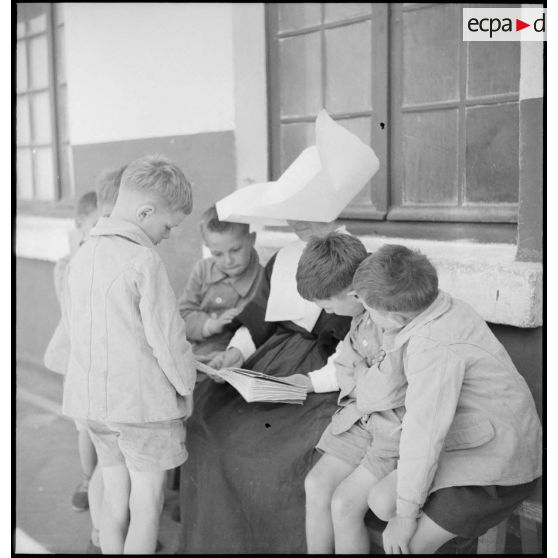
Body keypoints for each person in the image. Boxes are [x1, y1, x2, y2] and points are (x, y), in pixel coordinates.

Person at [178, 110, 380, 554]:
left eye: (307, 218)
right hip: (272, 359)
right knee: (208, 424)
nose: (298, 227)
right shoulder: (283, 258)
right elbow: (257, 318)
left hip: (326, 374)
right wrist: (234, 354)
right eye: (294, 219)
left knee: (270, 453)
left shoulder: (353, 255)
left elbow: (356, 342)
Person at [347, 245, 542, 554]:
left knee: (407, 544)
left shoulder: (431, 346)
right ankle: (451, 534)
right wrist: (390, 334)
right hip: (476, 440)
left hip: (500, 462)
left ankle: (444, 535)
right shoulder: (437, 306)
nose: (367, 315)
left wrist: (407, 516)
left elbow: (423, 432)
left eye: (369, 309)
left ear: (396, 316)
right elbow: (387, 390)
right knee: (380, 502)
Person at [58, 155, 197, 554]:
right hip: (143, 409)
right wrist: (186, 386)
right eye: (168, 225)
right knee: (147, 505)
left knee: (115, 504)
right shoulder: (144, 260)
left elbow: (74, 330)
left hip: (95, 407)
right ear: (145, 212)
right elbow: (168, 340)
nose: (168, 234)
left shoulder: (81, 257)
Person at [279, 232, 407, 554]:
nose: (329, 313)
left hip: (392, 428)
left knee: (343, 505)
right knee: (315, 484)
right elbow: (342, 362)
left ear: (352, 294)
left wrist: (355, 375)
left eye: (328, 306)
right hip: (360, 418)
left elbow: (386, 384)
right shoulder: (358, 320)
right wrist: (308, 382)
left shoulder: (389, 319)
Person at [178, 205, 263, 367]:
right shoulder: (202, 270)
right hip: (190, 348)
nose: (228, 260)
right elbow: (182, 314)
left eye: (235, 250)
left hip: (232, 355)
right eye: (218, 254)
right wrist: (210, 325)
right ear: (208, 248)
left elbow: (257, 329)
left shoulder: (262, 279)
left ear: (251, 239)